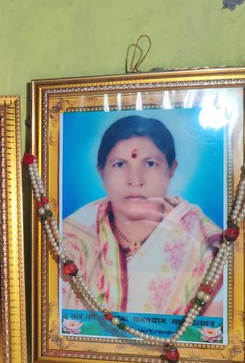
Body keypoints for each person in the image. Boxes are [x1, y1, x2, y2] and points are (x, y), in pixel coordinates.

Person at [62, 115, 223, 317]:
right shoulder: (71, 238)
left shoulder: (204, 246)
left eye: (150, 164)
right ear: (101, 172)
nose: (135, 180)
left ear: (171, 169)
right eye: (120, 164)